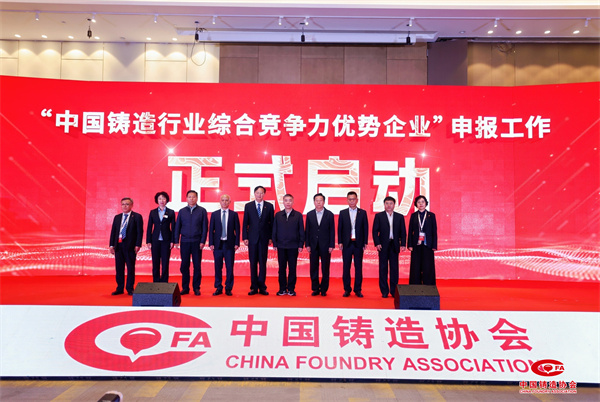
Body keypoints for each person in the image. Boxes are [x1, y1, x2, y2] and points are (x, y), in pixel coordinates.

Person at [174, 190, 208, 296]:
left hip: (197, 242)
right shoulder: (182, 211)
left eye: (193, 197)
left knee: (197, 265)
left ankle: (196, 287)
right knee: (184, 265)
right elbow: (177, 227)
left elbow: (205, 227)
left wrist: (202, 241)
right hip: (184, 241)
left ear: (197, 198)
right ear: (186, 198)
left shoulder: (202, 211)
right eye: (189, 197)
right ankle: (185, 287)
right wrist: (176, 240)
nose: (191, 199)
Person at [242, 186, 274, 295]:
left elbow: (272, 223)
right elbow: (245, 223)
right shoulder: (248, 206)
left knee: (263, 263)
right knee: (253, 263)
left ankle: (262, 287)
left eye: (261, 193)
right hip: (252, 239)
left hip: (264, 239)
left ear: (264, 194)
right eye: (257, 193)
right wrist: (245, 237)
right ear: (254, 194)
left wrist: (270, 237)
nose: (259, 195)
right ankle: (254, 287)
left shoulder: (269, 206)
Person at [372, 196, 406, 298]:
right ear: (384, 205)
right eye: (387, 203)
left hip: (394, 245)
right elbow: (375, 231)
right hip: (382, 245)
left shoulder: (399, 217)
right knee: (383, 268)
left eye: (391, 203)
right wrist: (377, 243)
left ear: (394, 205)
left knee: (394, 269)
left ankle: (394, 291)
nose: (389, 205)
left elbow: (403, 232)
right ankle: (384, 291)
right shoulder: (379, 216)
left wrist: (403, 244)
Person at [109, 197, 143, 295]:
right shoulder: (117, 217)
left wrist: (138, 244)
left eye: (127, 204)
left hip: (130, 246)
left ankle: (130, 288)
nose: (125, 206)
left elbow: (139, 232)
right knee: (119, 268)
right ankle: (119, 288)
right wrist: (111, 245)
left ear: (131, 205)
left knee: (130, 268)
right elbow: (113, 232)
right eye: (123, 204)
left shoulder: (136, 217)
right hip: (118, 246)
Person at [337, 191, 368, 297]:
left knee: (358, 267)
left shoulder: (362, 213)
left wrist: (365, 242)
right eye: (350, 199)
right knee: (346, 267)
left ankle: (358, 289)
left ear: (357, 200)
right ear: (347, 200)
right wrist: (340, 241)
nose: (351, 201)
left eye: (353, 199)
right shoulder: (343, 213)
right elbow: (340, 228)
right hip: (347, 243)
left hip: (358, 243)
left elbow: (365, 228)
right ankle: (347, 289)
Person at [272, 194, 304, 296]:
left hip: (293, 246)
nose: (288, 202)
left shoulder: (298, 215)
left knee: (292, 268)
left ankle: (291, 289)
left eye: (290, 200)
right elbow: (274, 230)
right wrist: (275, 243)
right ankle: (282, 289)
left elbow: (301, 231)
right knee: (281, 268)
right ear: (283, 202)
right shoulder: (278, 215)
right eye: (286, 200)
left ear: (293, 202)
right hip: (281, 246)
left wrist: (300, 244)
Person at [209, 194, 240, 296]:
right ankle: (218, 287)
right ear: (220, 202)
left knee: (229, 267)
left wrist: (237, 243)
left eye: (226, 200)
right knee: (218, 267)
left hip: (229, 244)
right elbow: (211, 230)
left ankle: (228, 288)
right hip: (217, 245)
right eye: (223, 200)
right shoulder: (215, 214)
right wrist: (211, 243)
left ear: (230, 202)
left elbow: (237, 230)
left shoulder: (234, 214)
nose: (224, 202)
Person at [305, 193, 335, 296]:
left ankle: (324, 289)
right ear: (314, 202)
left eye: (320, 200)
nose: (318, 202)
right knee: (313, 267)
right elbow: (307, 230)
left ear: (324, 202)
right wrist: (307, 244)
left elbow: (332, 231)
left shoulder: (329, 214)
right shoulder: (310, 214)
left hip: (326, 245)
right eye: (316, 200)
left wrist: (331, 245)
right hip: (313, 245)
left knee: (325, 268)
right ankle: (315, 288)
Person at [407, 195, 438, 285]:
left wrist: (434, 245)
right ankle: (415, 286)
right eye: (419, 202)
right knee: (415, 266)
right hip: (416, 244)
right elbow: (410, 231)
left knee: (428, 266)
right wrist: (410, 245)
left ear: (426, 203)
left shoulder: (431, 215)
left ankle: (429, 286)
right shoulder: (413, 216)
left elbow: (434, 231)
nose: (421, 204)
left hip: (428, 245)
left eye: (422, 202)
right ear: (416, 204)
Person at [146, 191, 175, 283]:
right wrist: (148, 241)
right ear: (157, 200)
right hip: (155, 240)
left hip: (166, 240)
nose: (162, 200)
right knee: (155, 262)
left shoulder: (171, 212)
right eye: (159, 199)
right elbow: (149, 227)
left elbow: (173, 228)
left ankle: (164, 282)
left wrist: (172, 241)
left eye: (163, 198)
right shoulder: (153, 212)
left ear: (166, 200)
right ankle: (156, 281)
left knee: (165, 262)